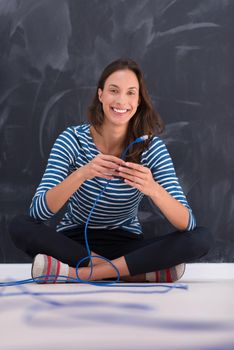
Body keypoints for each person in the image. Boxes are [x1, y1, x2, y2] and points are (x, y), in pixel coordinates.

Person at [9, 58, 211, 283]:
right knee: (20, 225)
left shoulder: (151, 147)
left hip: (127, 244)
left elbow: (188, 223)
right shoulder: (71, 139)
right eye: (114, 90)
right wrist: (82, 174)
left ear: (139, 100)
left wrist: (153, 189)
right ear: (101, 94)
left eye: (131, 93)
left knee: (200, 238)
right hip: (74, 244)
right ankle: (132, 273)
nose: (121, 100)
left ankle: (79, 274)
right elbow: (37, 213)